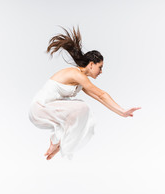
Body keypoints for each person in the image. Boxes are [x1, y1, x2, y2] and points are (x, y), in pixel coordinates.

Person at [29, 26, 141, 160]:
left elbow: (99, 98)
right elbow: (101, 94)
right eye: (100, 67)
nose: (101, 71)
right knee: (82, 108)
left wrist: (121, 113)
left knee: (81, 111)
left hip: (48, 110)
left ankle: (57, 144)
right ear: (91, 64)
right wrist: (122, 111)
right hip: (39, 108)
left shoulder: (81, 81)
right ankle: (56, 140)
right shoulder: (76, 74)